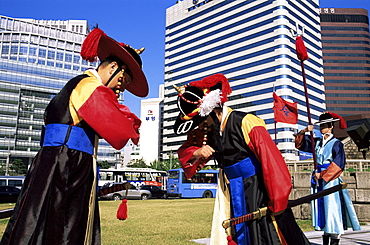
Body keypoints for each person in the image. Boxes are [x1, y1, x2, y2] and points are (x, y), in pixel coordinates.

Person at [1, 28, 148, 245]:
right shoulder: (89, 86)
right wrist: (134, 127)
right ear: (114, 68)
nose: (121, 88)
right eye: (122, 80)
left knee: (37, 220)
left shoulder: (78, 85)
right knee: (65, 227)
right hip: (68, 163)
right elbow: (119, 130)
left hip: (55, 160)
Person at [175, 74, 310, 245]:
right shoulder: (210, 131)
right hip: (230, 192)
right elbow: (185, 151)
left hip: (257, 190)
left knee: (266, 236)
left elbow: (272, 162)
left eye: (201, 121)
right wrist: (197, 152)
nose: (200, 126)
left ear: (212, 110)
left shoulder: (247, 122)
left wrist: (277, 200)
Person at [294, 112, 360, 245]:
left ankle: (335, 237)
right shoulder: (317, 142)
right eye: (321, 125)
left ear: (330, 127)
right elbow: (300, 144)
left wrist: (323, 175)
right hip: (318, 179)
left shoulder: (337, 144)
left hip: (331, 180)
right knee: (322, 209)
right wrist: (305, 130)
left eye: (324, 125)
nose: (321, 127)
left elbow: (339, 163)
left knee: (332, 207)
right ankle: (326, 234)